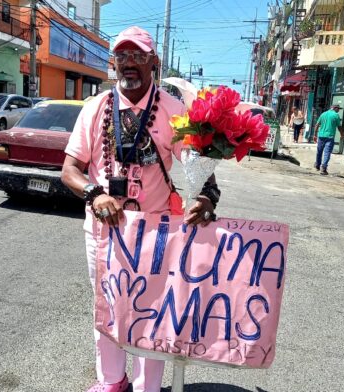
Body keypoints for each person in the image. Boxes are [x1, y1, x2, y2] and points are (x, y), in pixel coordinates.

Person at [61, 26, 220, 392]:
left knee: (154, 309)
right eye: (122, 57)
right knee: (108, 305)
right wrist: (93, 193)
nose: (129, 64)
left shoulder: (173, 109)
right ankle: (112, 381)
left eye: (138, 56)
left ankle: (149, 386)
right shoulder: (95, 108)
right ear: (114, 63)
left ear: (154, 63)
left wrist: (207, 197)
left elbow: (197, 166)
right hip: (104, 231)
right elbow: (70, 170)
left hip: (157, 233)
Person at [313, 103, 344, 175]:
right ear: (335, 108)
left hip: (321, 136)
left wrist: (314, 135)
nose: (338, 111)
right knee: (327, 153)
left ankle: (317, 165)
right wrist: (342, 135)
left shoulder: (323, 114)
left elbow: (317, 125)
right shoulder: (336, 115)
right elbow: (339, 127)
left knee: (319, 151)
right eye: (338, 109)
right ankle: (323, 168)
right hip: (330, 137)